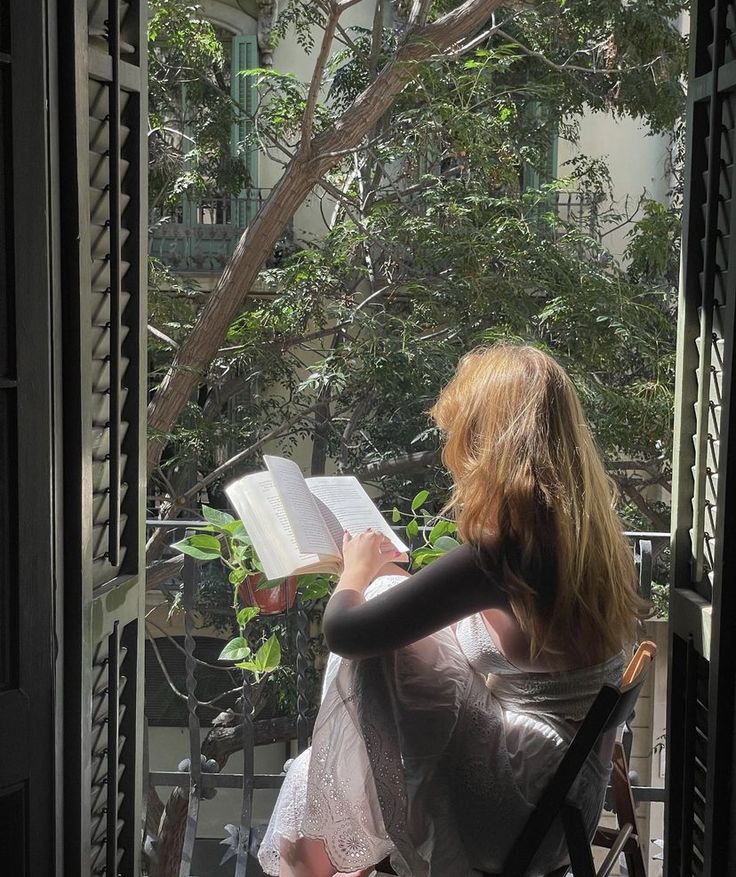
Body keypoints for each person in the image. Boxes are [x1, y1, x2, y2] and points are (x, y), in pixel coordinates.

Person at [257, 344, 650, 877]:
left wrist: (354, 571)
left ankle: (323, 854)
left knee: (357, 678)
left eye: (457, 435)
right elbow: (483, 622)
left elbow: (345, 632)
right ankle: (326, 841)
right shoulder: (582, 534)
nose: (449, 451)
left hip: (522, 809)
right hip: (568, 793)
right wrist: (388, 582)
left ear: (485, 441)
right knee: (328, 764)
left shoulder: (502, 554)